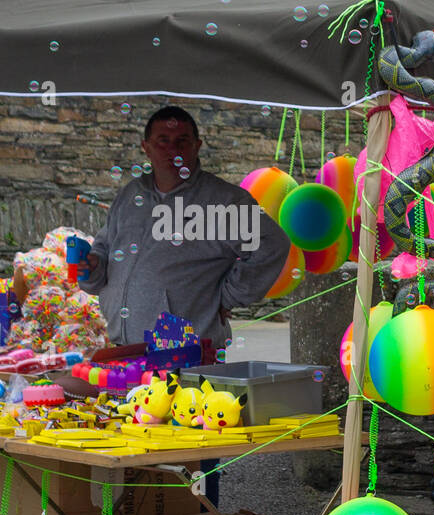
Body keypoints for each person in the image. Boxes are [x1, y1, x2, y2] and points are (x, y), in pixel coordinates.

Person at [79, 105, 290, 349]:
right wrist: (94, 267)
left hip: (188, 354)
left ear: (196, 146)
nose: (172, 150)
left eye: (182, 141)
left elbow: (272, 244)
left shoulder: (222, 201)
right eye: (163, 141)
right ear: (145, 147)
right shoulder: (130, 195)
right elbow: (105, 248)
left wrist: (229, 297)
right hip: (127, 351)